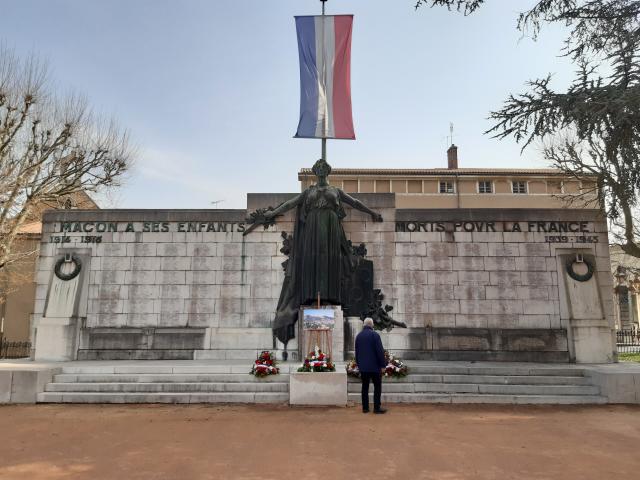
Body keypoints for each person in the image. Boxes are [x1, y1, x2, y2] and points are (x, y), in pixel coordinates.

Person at [247, 158, 383, 346]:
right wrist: (272, 213)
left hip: (331, 227)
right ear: (315, 171)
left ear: (327, 171)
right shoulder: (308, 192)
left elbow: (355, 202)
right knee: (313, 262)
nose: (320, 171)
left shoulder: (335, 191)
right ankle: (313, 296)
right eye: (317, 168)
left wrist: (372, 213)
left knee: (329, 261)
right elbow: (289, 204)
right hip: (312, 229)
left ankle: (329, 297)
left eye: (323, 168)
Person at [355, 317, 387, 414]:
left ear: (364, 325)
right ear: (372, 325)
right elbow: (380, 352)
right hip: (375, 367)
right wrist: (383, 365)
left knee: (365, 387)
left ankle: (365, 408)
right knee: (377, 387)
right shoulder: (375, 335)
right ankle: (376, 408)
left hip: (363, 367)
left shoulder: (359, 336)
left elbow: (357, 352)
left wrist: (359, 365)